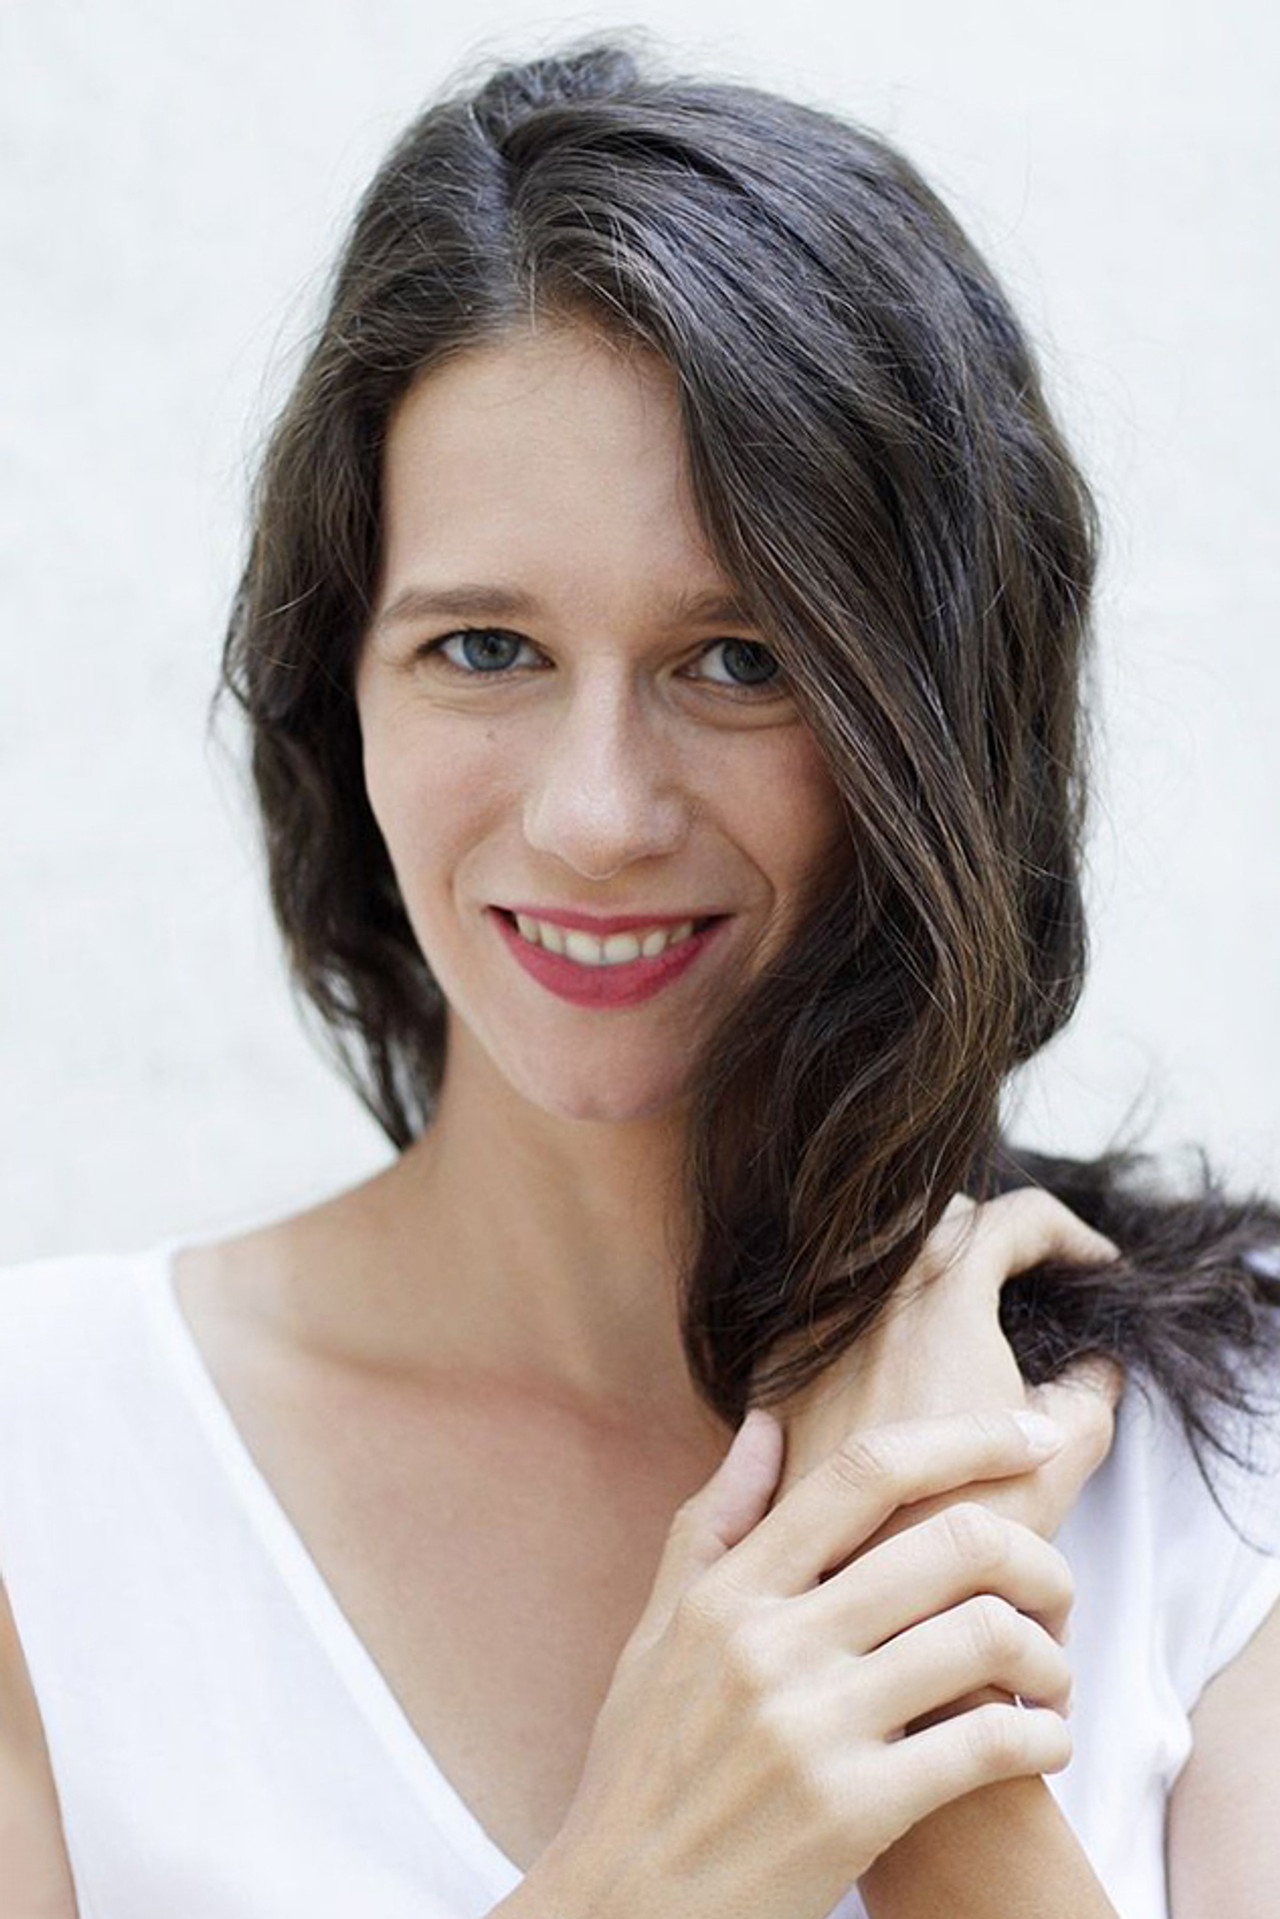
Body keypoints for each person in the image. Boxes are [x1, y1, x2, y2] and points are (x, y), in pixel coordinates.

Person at [2, 37, 1279, 1919]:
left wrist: (928, 1713)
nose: (596, 815)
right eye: (484, 647)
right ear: (339, 688)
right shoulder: (47, 1469)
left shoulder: (1225, 1450)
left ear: (936, 719)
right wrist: (654, 1863)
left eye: (740, 660)